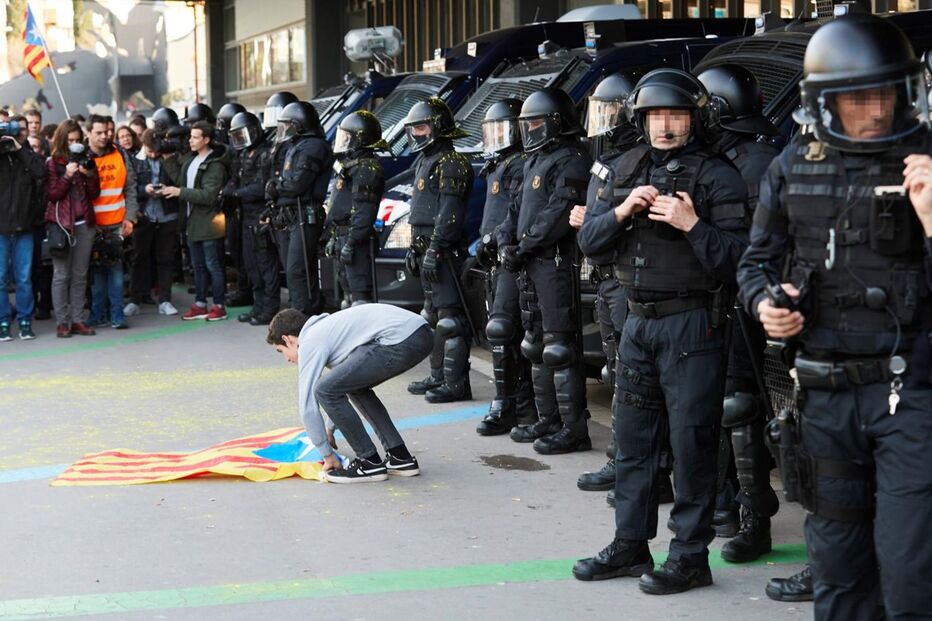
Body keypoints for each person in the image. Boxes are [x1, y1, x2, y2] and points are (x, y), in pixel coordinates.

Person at [737, 15, 932, 620]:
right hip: (825, 397)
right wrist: (767, 306)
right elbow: (755, 264)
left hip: (911, 395)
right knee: (839, 573)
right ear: (826, 102)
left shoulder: (927, 161)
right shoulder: (793, 166)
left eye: (885, 94)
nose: (876, 111)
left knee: (911, 572)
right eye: (858, 98)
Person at [573, 69, 750, 593]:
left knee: (692, 444)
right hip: (637, 322)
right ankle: (630, 544)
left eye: (676, 116)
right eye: (655, 117)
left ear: (695, 119)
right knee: (633, 442)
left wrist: (692, 225)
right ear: (641, 119)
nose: (665, 127)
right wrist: (624, 210)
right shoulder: (625, 167)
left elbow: (741, 261)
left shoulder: (718, 175)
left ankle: (690, 557)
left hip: (693, 325)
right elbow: (590, 242)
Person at [696, 63, 783, 555]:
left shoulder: (754, 162)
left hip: (742, 300)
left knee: (739, 405)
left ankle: (755, 517)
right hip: (710, 299)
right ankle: (723, 502)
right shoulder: (723, 156)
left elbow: (754, 246)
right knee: (713, 403)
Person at [499, 88, 593, 454]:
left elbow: (557, 214)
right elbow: (515, 208)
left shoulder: (573, 160)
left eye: (536, 123)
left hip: (553, 262)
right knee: (534, 344)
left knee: (559, 348)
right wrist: (506, 242)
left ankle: (574, 429)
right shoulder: (533, 160)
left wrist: (523, 246)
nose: (530, 130)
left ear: (556, 122)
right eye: (527, 124)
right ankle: (548, 419)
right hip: (528, 262)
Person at [267, 304, 431, 483]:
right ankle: (400, 457)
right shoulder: (327, 330)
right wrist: (329, 429)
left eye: (281, 351)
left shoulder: (309, 342)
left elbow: (307, 405)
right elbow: (343, 384)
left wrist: (326, 454)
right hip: (420, 333)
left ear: (288, 339)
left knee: (322, 388)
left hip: (401, 338)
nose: (287, 359)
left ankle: (369, 463)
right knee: (351, 386)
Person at [571, 73, 642, 487]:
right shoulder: (608, 159)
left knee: (629, 377)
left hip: (623, 278)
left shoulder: (634, 160)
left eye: (611, 111)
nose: (605, 120)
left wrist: (592, 223)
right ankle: (623, 461)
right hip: (605, 277)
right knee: (616, 372)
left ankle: (629, 464)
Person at [401, 98, 475, 403]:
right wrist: (415, 248)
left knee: (450, 318)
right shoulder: (425, 160)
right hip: (426, 247)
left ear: (438, 127)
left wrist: (436, 248)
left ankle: (456, 384)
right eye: (414, 129)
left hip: (444, 250)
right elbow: (421, 211)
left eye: (422, 127)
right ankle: (438, 376)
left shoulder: (451, 162)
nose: (417, 134)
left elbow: (449, 213)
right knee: (432, 315)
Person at [473, 99, 536, 435]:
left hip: (512, 255)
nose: (497, 137)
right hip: (495, 256)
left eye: (503, 129)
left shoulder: (520, 164)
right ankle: (513, 403)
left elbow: (516, 214)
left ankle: (512, 406)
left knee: (504, 329)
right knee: (502, 331)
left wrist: (496, 239)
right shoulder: (500, 164)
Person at [266, 101, 333, 316]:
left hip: (305, 215)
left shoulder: (314, 146)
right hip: (291, 216)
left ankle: (301, 317)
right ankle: (305, 313)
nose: (285, 130)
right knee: (296, 269)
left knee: (297, 270)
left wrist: (276, 187)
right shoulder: (296, 145)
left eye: (288, 125)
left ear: (300, 124)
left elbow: (297, 184)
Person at [161, 121, 231, 321]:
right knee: (198, 266)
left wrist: (179, 192)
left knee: (213, 265)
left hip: (210, 222)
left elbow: (209, 195)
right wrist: (168, 160)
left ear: (206, 140)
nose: (190, 141)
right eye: (190, 137)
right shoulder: (191, 160)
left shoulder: (215, 164)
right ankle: (200, 303)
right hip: (192, 222)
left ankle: (219, 305)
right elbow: (181, 182)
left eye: (195, 137)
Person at [326, 111, 388, 308]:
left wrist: (352, 242)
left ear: (360, 139)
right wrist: (334, 237)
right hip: (343, 236)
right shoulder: (351, 166)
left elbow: (364, 213)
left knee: (360, 299)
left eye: (347, 137)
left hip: (357, 241)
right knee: (347, 297)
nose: (343, 142)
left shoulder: (366, 168)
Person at [45, 119, 100, 337]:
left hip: (84, 223)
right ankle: (62, 321)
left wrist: (90, 175)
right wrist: (67, 175)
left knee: (80, 274)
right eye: (70, 141)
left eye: (77, 140)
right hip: (62, 225)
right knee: (61, 275)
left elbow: (94, 193)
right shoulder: (52, 163)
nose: (74, 144)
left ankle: (77, 319)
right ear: (62, 140)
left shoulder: (86, 159)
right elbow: (53, 194)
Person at [85, 114, 138, 330]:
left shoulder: (120, 153)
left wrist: (130, 218)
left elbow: (131, 187)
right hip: (92, 226)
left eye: (106, 132)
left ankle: (117, 315)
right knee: (97, 273)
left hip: (117, 223)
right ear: (88, 133)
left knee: (115, 272)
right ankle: (98, 314)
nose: (104, 136)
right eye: (98, 133)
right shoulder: (82, 157)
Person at [226, 111, 279, 325]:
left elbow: (262, 187)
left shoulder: (266, 154)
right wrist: (229, 190)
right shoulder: (243, 155)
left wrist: (235, 193)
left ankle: (270, 309)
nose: (240, 140)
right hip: (246, 217)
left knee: (266, 266)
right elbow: (235, 179)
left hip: (261, 217)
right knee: (251, 266)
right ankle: (258, 307)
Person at [125, 129, 181, 318]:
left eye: (156, 150)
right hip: (144, 214)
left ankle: (165, 300)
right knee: (138, 258)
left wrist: (167, 187)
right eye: (150, 150)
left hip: (167, 214)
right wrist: (145, 189)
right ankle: (134, 300)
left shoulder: (169, 157)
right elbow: (130, 187)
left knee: (166, 259)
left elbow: (179, 181)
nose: (153, 154)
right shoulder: (135, 160)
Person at [0, 125, 47, 341]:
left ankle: (25, 321)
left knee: (23, 278)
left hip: (24, 227)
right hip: (1, 229)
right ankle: (3, 321)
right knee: (0, 279)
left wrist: (19, 149)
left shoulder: (26, 155)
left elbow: (41, 172)